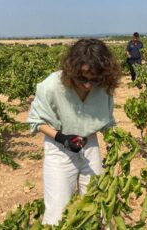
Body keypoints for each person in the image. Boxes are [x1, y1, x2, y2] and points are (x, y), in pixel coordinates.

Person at [27, 39, 120, 225]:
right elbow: (37, 121)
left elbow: (106, 122)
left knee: (97, 202)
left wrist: (115, 145)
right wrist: (62, 138)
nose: (88, 85)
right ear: (72, 71)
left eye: (94, 79)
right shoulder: (52, 86)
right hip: (59, 147)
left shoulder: (103, 88)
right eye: (82, 79)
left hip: (89, 144)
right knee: (58, 211)